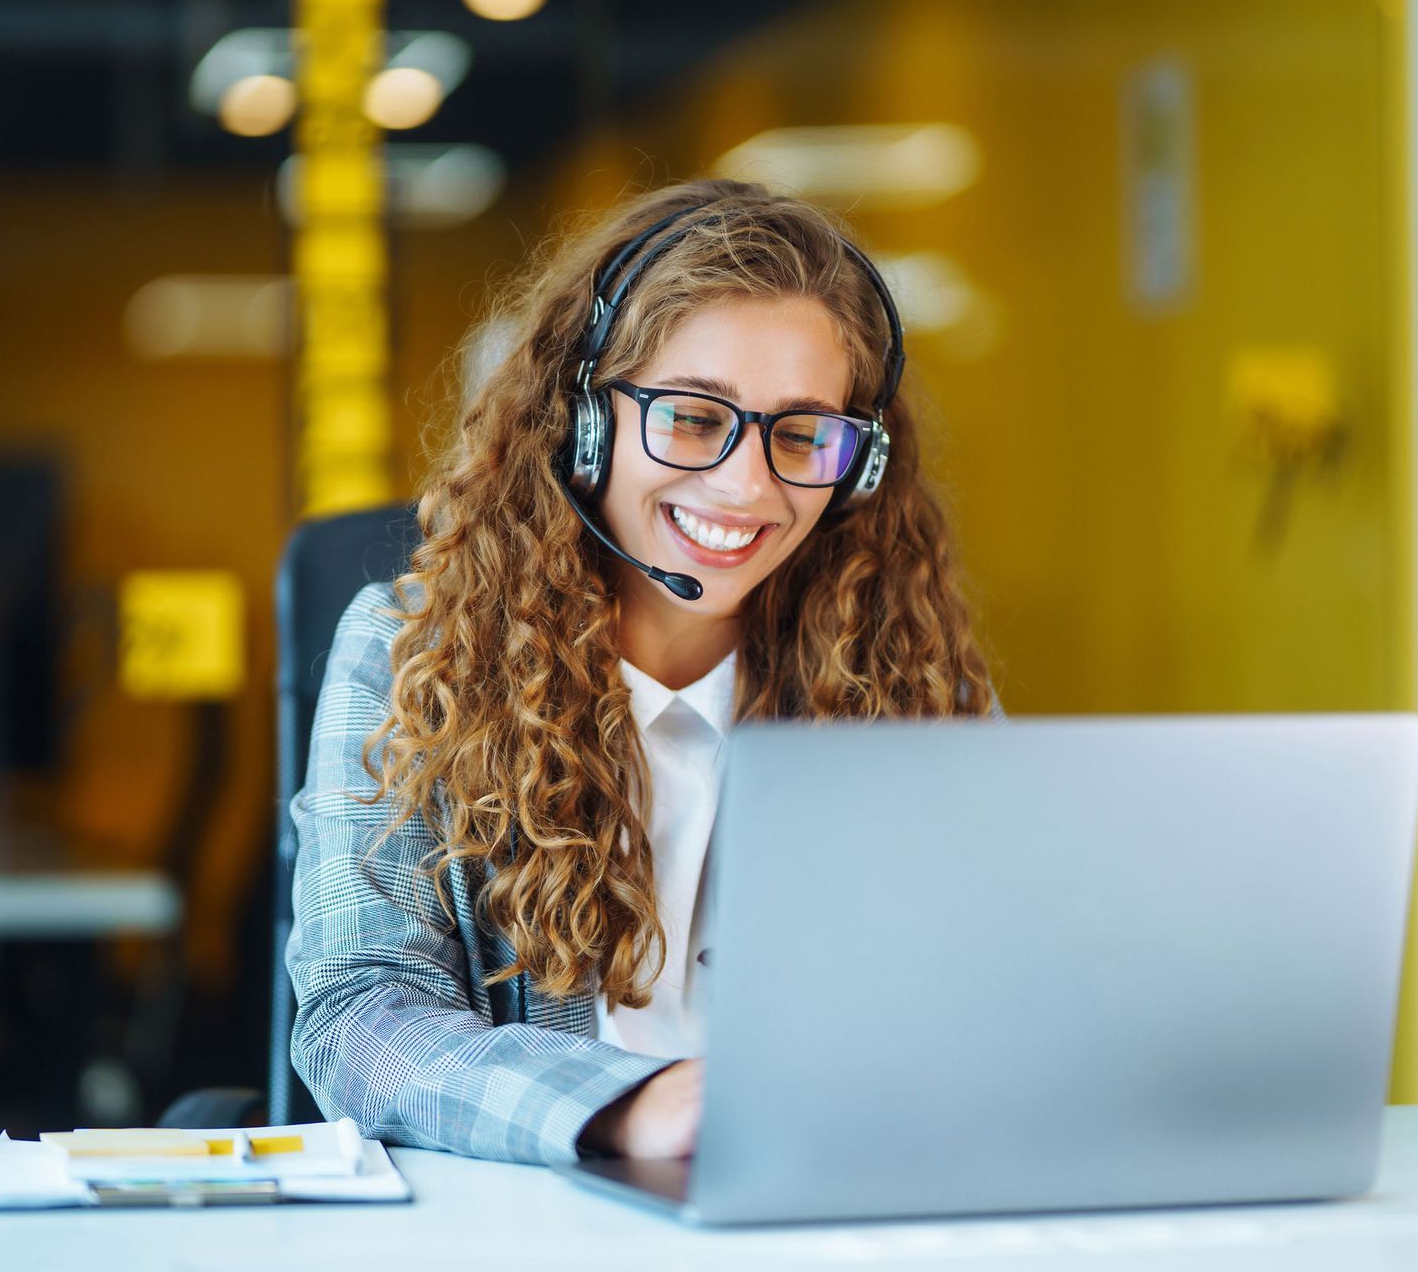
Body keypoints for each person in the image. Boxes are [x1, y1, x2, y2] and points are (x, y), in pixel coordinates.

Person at [285, 178, 994, 1166]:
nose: (748, 487)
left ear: (857, 466)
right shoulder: (412, 653)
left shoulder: (914, 684)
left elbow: (992, 993)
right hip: (547, 1210)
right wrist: (631, 1106)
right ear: (583, 422)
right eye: (695, 418)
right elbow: (359, 1016)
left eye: (800, 435)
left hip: (826, 1200)